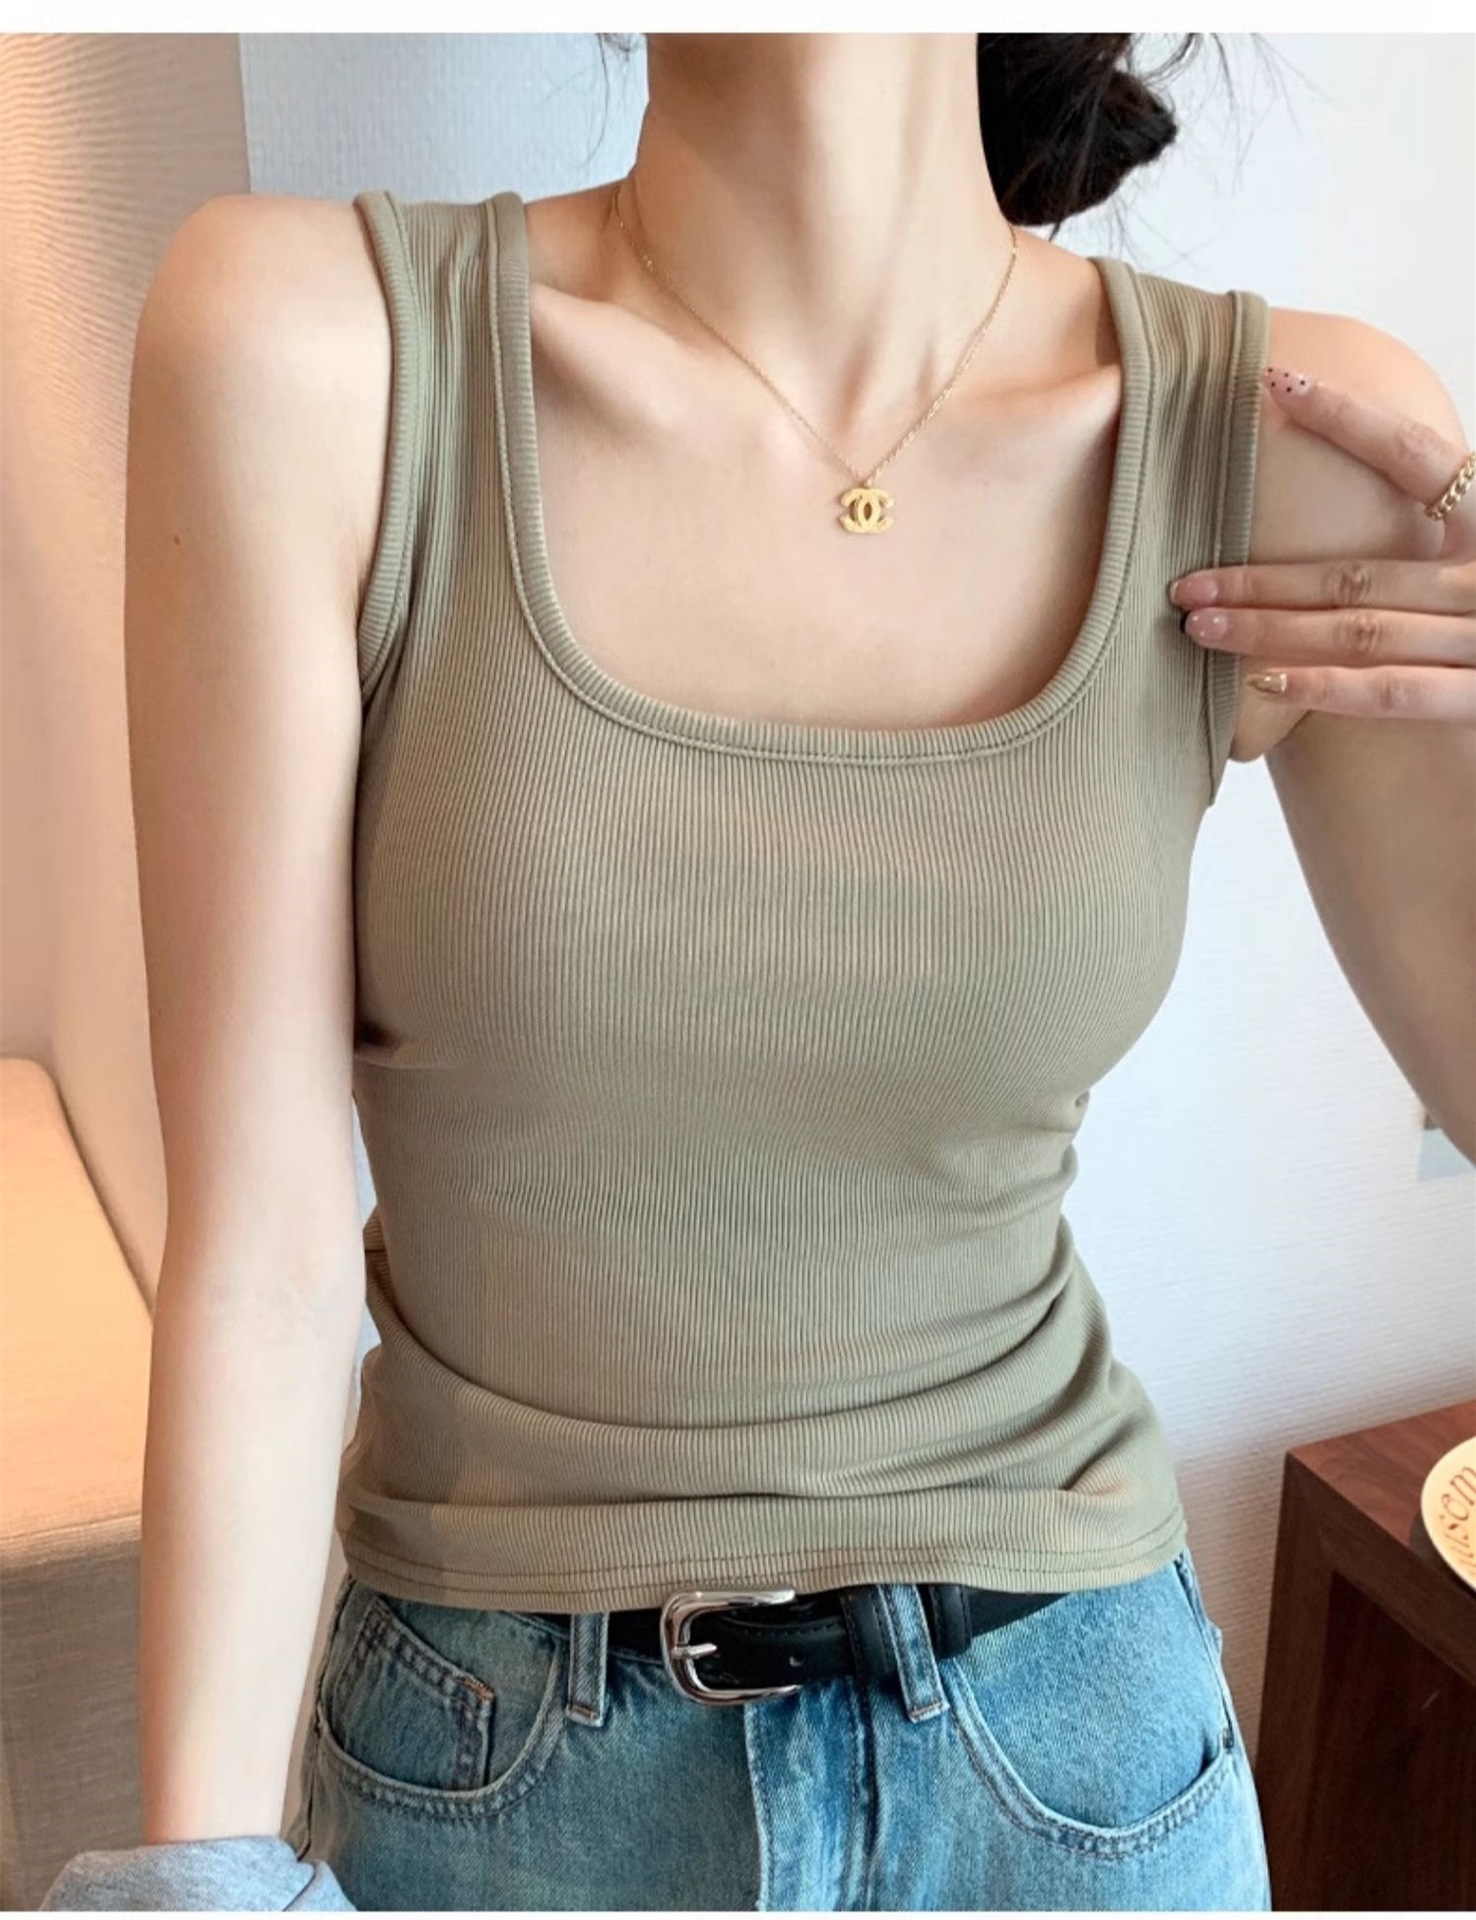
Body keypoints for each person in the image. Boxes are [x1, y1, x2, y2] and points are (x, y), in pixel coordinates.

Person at [41, 28, 1475, 1915]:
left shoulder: (1297, 440)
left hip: (1074, 1766)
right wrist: (201, 1878)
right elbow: (266, 1256)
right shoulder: (320, 352)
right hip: (504, 1782)